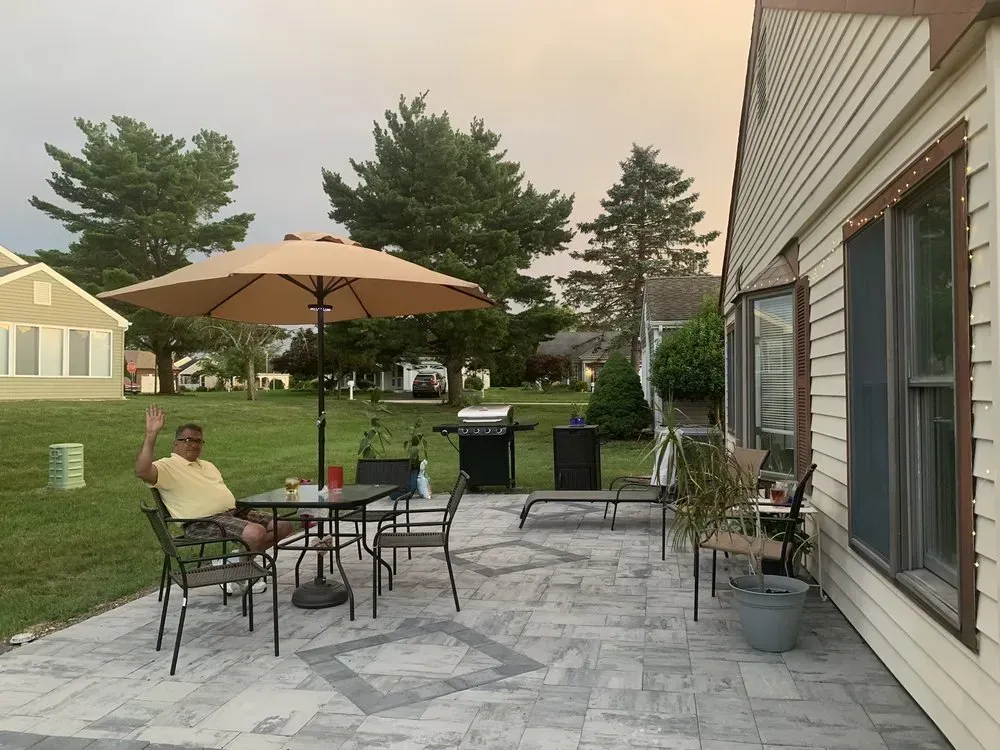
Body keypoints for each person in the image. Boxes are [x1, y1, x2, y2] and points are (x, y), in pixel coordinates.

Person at [135, 404, 295, 592]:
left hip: (232, 513)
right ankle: (238, 571)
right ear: (175, 444)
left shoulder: (207, 465)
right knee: (255, 533)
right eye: (187, 440)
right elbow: (142, 471)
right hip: (202, 522)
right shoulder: (166, 466)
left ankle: (232, 563)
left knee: (284, 526)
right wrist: (151, 435)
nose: (193, 444)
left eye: (198, 441)